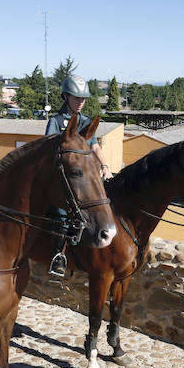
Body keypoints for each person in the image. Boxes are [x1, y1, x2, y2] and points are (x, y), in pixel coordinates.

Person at [44, 74, 111, 275]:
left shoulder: (86, 122)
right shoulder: (56, 121)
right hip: (64, 176)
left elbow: (95, 146)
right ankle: (59, 254)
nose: (81, 102)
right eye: (76, 98)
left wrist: (105, 166)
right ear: (66, 96)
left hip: (85, 175)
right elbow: (48, 147)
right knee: (62, 211)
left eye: (83, 99)